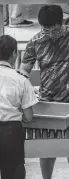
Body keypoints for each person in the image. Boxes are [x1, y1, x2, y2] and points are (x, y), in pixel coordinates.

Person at [19, 4, 69, 179]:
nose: (50, 35)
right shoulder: (36, 42)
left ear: (61, 23)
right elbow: (24, 69)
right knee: (47, 149)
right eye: (45, 30)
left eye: (54, 30)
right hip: (47, 103)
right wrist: (26, 86)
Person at [0, 35, 38, 179]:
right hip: (10, 132)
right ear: (15, 54)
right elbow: (28, 116)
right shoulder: (20, 80)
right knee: (13, 172)